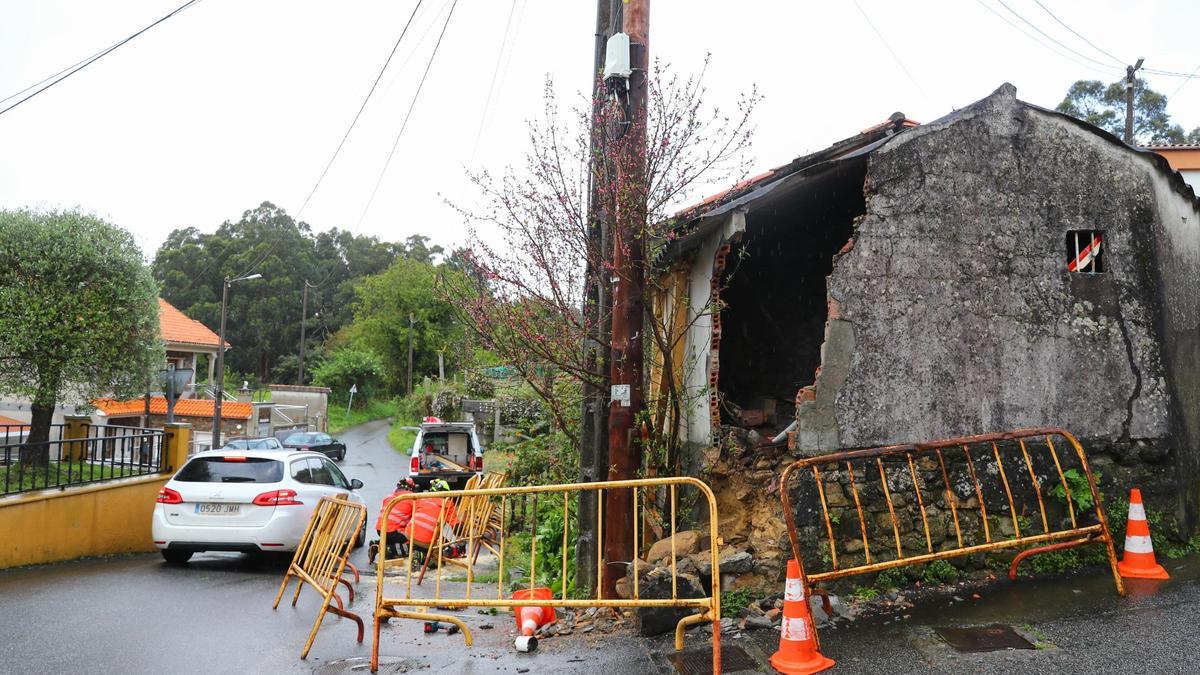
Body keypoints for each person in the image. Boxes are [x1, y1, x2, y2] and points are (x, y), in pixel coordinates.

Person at [368, 478, 418, 566]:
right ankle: (388, 550)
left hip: (380, 530)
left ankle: (376, 544)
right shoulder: (412, 498)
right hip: (393, 531)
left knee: (395, 537)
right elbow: (417, 518)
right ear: (411, 488)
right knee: (414, 543)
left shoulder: (389, 497)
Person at [409, 479, 459, 563]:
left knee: (425, 539)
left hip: (409, 533)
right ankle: (429, 559)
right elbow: (455, 525)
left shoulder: (422, 499)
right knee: (442, 547)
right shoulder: (447, 503)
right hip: (426, 538)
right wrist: (458, 539)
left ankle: (419, 554)